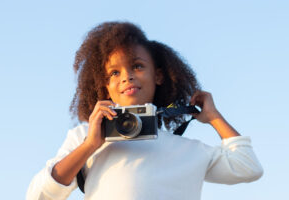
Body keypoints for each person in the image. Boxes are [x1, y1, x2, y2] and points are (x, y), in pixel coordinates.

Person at [26, 21, 263, 200]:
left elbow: (248, 167)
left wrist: (214, 117)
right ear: (105, 87)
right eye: (114, 73)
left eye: (137, 66)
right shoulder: (85, 137)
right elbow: (39, 195)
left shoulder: (189, 150)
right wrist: (90, 145)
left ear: (158, 75)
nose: (127, 76)